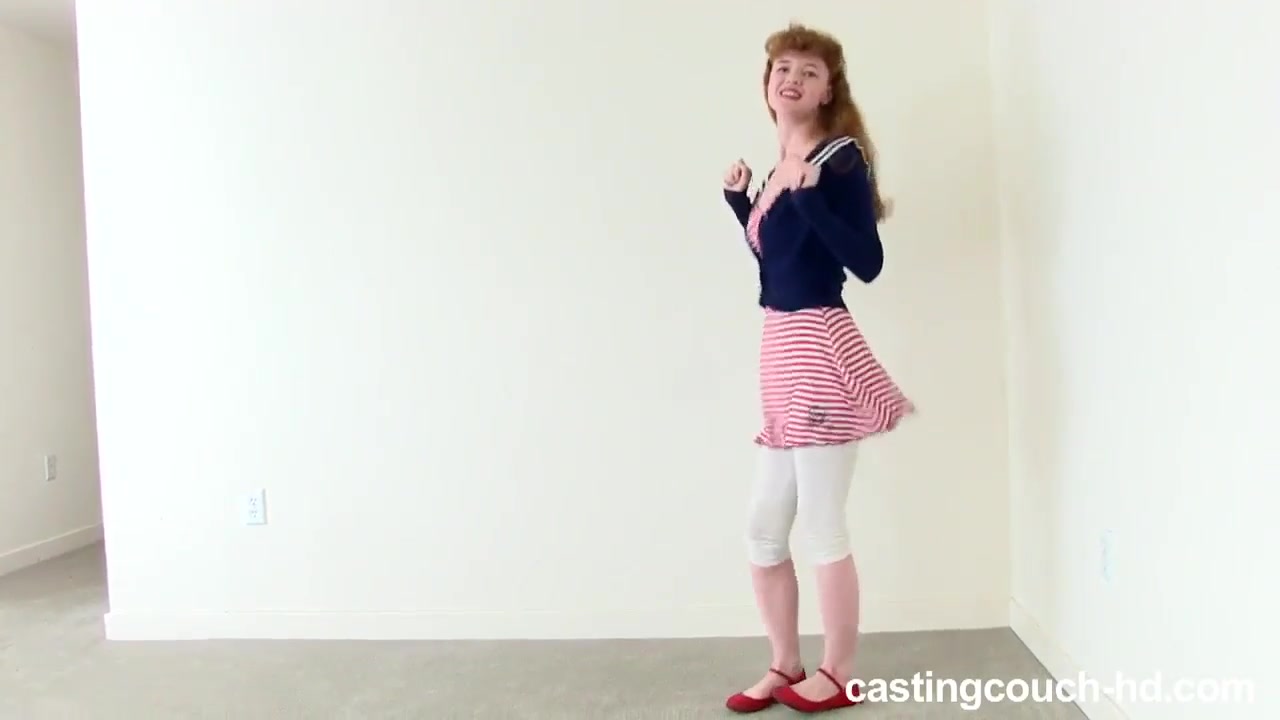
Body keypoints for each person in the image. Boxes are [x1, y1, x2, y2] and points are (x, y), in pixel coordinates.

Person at [720, 23, 914, 714]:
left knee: (823, 523)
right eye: (782, 69)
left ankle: (839, 673)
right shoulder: (780, 168)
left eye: (808, 71)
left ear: (829, 89)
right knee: (764, 528)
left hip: (820, 352)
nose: (792, 79)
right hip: (779, 352)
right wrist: (744, 204)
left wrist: (806, 197)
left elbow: (866, 262)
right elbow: (781, 265)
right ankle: (785, 663)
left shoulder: (840, 159)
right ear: (767, 85)